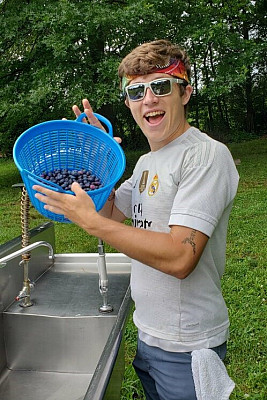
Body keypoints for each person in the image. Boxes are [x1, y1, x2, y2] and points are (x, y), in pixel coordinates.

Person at [33, 39, 239, 400]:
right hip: (148, 336)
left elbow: (180, 257)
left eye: (161, 86)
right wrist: (99, 160)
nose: (149, 99)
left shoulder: (205, 155)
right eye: (136, 90)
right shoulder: (146, 163)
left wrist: (94, 224)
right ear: (128, 102)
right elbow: (110, 210)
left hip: (187, 345)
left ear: (185, 92)